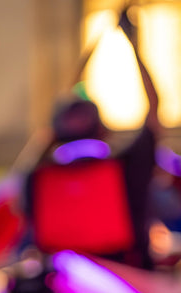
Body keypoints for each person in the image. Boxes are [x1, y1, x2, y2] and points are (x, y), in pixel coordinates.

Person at [21, 7, 161, 272]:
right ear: (103, 132)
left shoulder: (37, 171)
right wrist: (133, 46)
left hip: (58, 274)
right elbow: (154, 108)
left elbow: (54, 124)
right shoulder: (127, 168)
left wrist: (90, 51)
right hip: (128, 272)